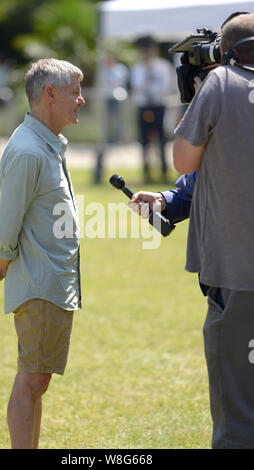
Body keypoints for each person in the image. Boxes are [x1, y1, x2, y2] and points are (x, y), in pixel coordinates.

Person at [0, 58, 85, 449]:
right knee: (32, 381)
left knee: (37, 381)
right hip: (39, 284)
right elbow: (8, 222)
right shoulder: (27, 151)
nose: (81, 99)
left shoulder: (43, 144)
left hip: (49, 282)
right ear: (50, 94)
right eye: (75, 90)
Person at [172, 13, 254, 449]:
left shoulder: (222, 83)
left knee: (237, 414)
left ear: (225, 52)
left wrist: (200, 99)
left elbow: (185, 161)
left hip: (238, 273)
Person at [130, 36, 174, 182]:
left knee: (162, 140)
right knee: (144, 141)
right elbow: (136, 86)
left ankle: (163, 171)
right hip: (144, 106)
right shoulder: (137, 67)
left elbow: (165, 86)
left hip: (158, 105)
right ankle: (146, 172)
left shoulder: (163, 66)